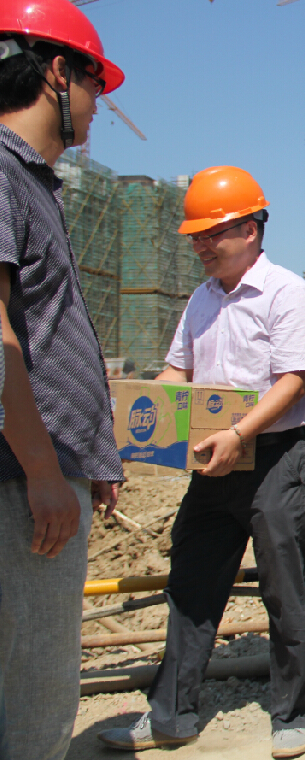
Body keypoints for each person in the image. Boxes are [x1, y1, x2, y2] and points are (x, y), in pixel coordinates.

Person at [96, 168, 305, 758]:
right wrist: (136, 423)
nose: (200, 245)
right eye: (195, 235)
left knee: (284, 589)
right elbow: (179, 371)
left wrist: (239, 433)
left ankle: (293, 713)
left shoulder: (284, 292)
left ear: (249, 230)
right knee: (191, 585)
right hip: (211, 462)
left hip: (274, 459)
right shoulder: (201, 298)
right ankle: (171, 715)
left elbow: (293, 380)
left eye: (211, 233)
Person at [0, 2, 124, 757]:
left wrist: (88, 457)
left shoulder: (32, 184)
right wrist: (45, 470)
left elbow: (44, 333)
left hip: (40, 473)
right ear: (56, 72)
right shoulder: (3, 174)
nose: (98, 105)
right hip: (20, 482)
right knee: (35, 696)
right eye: (94, 85)